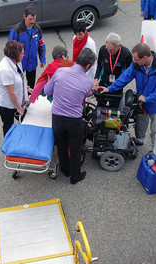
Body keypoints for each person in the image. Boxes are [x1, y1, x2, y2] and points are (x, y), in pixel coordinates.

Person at [97, 43, 156, 147]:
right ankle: (140, 139)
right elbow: (124, 77)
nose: (134, 62)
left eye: (136, 59)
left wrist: (147, 98)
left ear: (145, 58)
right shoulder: (137, 64)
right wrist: (109, 89)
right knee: (141, 124)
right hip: (142, 101)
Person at [44, 48, 97, 185]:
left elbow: (47, 90)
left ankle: (65, 170)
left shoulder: (60, 71)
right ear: (88, 66)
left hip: (57, 118)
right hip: (74, 120)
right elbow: (85, 95)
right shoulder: (87, 82)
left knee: (61, 145)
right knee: (75, 147)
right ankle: (75, 176)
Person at [0, 40, 29, 137]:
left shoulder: (16, 62)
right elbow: (10, 93)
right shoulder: (5, 70)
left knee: (24, 118)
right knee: (8, 125)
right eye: (22, 53)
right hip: (5, 104)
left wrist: (27, 89)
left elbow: (19, 78)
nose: (24, 55)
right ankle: (8, 147)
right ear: (15, 54)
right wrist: (18, 107)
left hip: (14, 100)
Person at [8, 6, 46, 89]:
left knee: (31, 85)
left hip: (32, 63)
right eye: (30, 19)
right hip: (19, 63)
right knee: (18, 84)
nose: (32, 22)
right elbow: (9, 48)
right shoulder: (16, 30)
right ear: (24, 17)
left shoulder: (37, 29)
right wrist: (12, 63)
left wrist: (42, 59)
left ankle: (30, 100)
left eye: (34, 19)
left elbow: (41, 45)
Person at [93, 32, 133, 107]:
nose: (109, 52)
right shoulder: (103, 49)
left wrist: (118, 85)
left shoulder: (127, 55)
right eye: (107, 49)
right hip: (103, 84)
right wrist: (96, 79)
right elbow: (99, 66)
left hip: (117, 87)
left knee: (114, 112)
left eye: (111, 50)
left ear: (119, 46)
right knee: (100, 109)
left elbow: (128, 74)